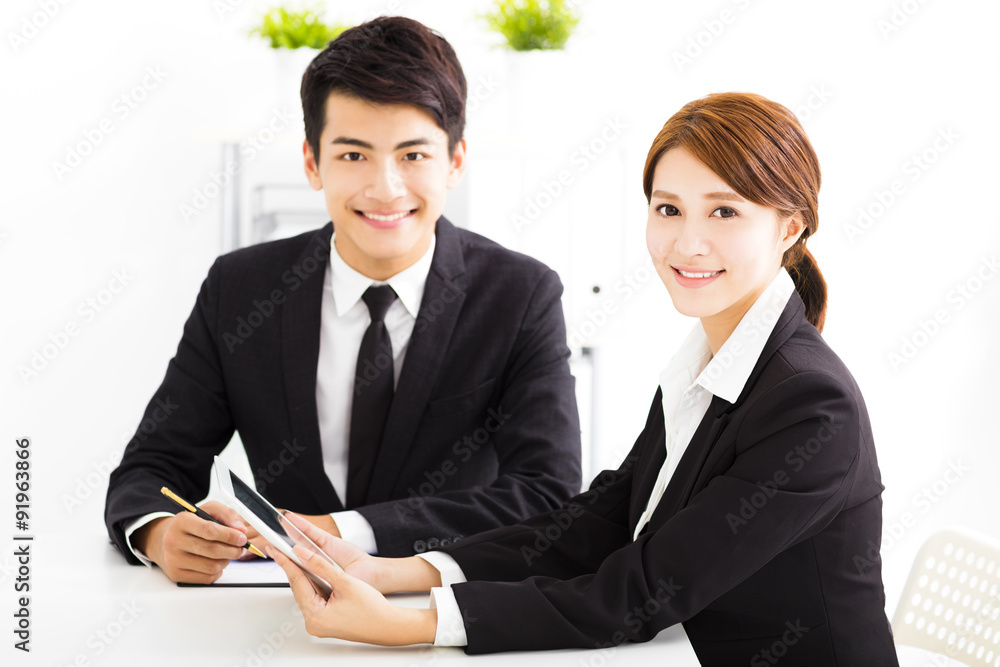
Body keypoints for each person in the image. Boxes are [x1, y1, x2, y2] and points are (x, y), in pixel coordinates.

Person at [267, 92, 900, 665]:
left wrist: (403, 626)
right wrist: (393, 573)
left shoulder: (811, 404)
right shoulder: (712, 361)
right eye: (669, 209)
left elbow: (645, 592)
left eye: (725, 213)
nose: (687, 243)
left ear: (789, 227)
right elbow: (604, 520)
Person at [104, 16, 582, 583]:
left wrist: (339, 530)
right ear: (313, 162)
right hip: (279, 618)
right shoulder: (241, 289)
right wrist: (159, 531)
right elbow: (153, 464)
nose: (385, 188)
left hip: (446, 617)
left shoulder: (519, 294)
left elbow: (545, 494)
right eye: (354, 155)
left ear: (454, 160)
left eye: (413, 155)